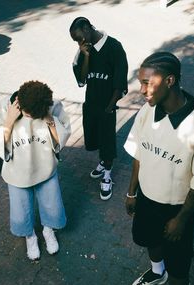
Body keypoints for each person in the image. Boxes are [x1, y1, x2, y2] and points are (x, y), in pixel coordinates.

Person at [124, 52, 194, 285]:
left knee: (179, 266)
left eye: (148, 82)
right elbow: (139, 153)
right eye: (141, 83)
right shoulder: (147, 111)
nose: (142, 90)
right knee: (150, 240)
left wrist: (182, 218)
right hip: (146, 198)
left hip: (176, 209)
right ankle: (157, 272)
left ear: (169, 81)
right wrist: (132, 192)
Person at [0, 81, 71, 261]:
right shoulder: (6, 107)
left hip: (44, 165)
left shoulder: (50, 105)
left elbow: (61, 140)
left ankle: (48, 229)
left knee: (52, 203)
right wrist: (9, 121)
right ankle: (30, 236)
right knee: (21, 208)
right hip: (18, 170)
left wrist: (49, 120)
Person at [69, 17, 128, 200]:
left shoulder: (114, 47)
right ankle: (103, 162)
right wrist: (85, 55)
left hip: (107, 105)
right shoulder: (84, 51)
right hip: (91, 103)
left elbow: (120, 82)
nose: (79, 43)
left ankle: (107, 177)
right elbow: (82, 80)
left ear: (87, 29)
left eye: (79, 38)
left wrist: (109, 108)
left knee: (107, 141)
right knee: (95, 138)